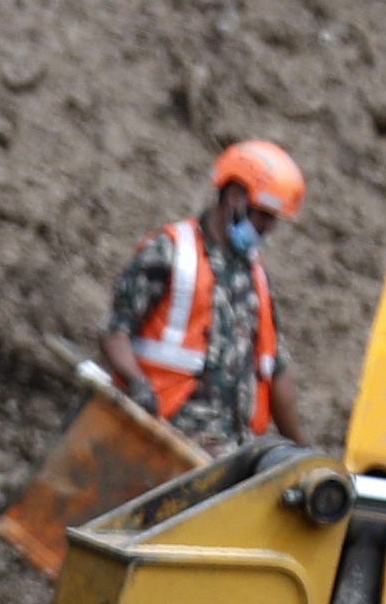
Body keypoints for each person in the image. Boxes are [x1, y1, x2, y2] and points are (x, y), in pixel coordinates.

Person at [101, 141, 306, 443]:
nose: (268, 227)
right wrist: (137, 385)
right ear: (235, 196)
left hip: (232, 449)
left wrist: (305, 454)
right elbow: (114, 332)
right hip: (168, 436)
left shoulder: (255, 275)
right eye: (263, 214)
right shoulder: (171, 252)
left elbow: (275, 369)